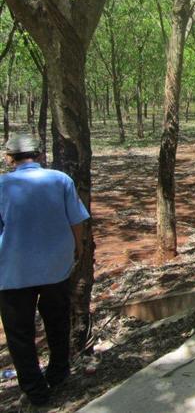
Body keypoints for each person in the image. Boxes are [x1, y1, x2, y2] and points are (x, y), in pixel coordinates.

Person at [0, 134, 90, 408]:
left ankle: (35, 390)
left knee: (19, 332)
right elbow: (76, 220)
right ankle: (59, 373)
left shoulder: (2, 185)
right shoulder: (60, 180)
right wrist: (78, 248)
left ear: (9, 158)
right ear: (39, 155)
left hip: (12, 271)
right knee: (57, 321)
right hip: (55, 267)